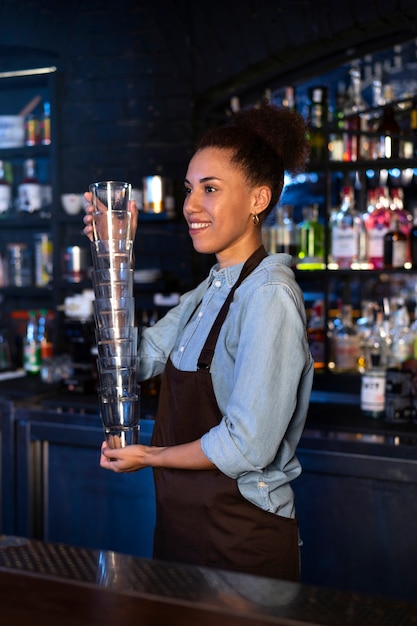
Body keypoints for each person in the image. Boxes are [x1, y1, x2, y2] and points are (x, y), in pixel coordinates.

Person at [83, 99, 314, 581]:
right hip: (181, 528)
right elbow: (131, 360)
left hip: (241, 539)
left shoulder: (269, 295)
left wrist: (150, 456)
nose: (191, 205)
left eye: (210, 189)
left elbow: (247, 446)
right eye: (189, 189)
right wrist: (113, 252)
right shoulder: (208, 292)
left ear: (258, 199)